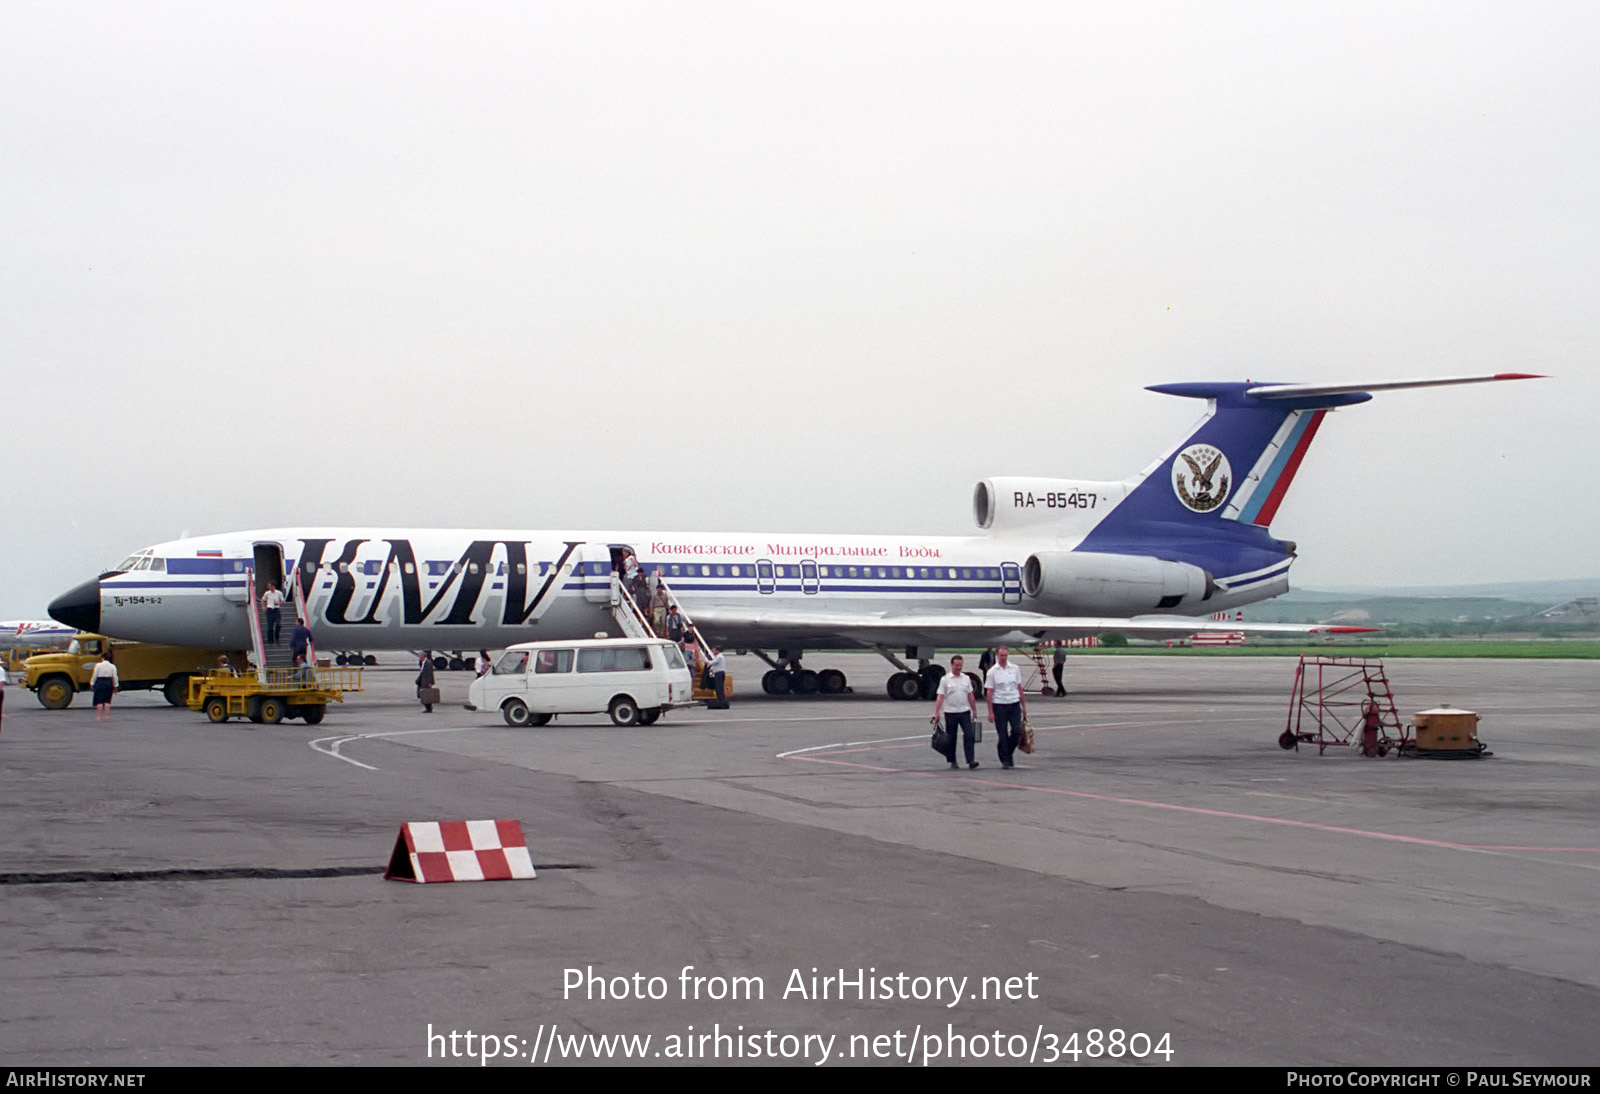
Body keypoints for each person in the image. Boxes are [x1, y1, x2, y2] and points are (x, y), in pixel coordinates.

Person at [932, 654, 979, 770]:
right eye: (956, 665)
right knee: (951, 738)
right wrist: (937, 712)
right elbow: (940, 696)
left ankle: (971, 760)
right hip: (950, 713)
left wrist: (974, 710)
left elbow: (970, 695)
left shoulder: (966, 679)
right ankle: (952, 760)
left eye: (960, 665)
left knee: (969, 735)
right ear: (952, 665)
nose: (958, 668)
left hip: (964, 711)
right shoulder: (945, 679)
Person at [984, 645, 1026, 768]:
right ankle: (1006, 760)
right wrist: (990, 711)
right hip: (999, 704)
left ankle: (1007, 753)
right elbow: (989, 692)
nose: (1003, 657)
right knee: (1002, 734)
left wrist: (1024, 705)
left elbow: (1019, 688)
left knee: (1016, 731)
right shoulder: (992, 672)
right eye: (1001, 655)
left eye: (1005, 655)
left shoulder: (1014, 669)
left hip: (1013, 703)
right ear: (997, 655)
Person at [91, 650, 119, 722]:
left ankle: (99, 717)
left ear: (103, 658)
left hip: (100, 681)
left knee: (99, 700)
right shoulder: (112, 666)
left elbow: (95, 675)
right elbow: (115, 676)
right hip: (108, 682)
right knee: (107, 700)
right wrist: (115, 685)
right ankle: (107, 716)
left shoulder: (98, 665)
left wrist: (92, 683)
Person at [704, 645, 728, 709]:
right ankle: (721, 700)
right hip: (719, 673)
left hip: (719, 674)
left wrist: (707, 662)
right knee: (719, 687)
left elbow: (714, 662)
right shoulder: (718, 657)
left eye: (714, 650)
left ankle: (721, 701)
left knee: (719, 687)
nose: (713, 652)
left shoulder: (719, 657)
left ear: (717, 650)